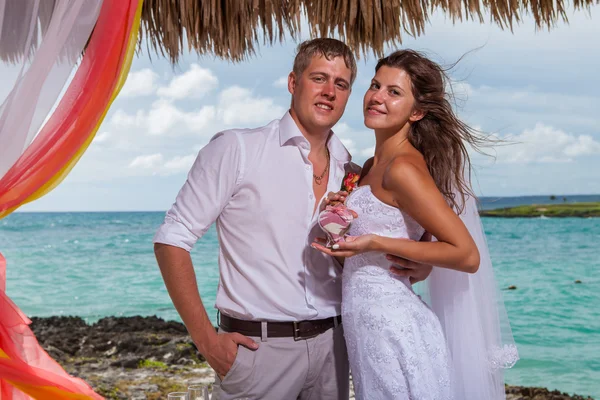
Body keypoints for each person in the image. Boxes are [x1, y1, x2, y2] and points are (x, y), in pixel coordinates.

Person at [152, 39, 432, 400]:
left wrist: (421, 264)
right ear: (293, 82)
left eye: (341, 84)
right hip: (258, 352)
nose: (329, 91)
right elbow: (172, 239)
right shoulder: (237, 149)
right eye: (319, 78)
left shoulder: (352, 171)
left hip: (336, 347)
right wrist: (207, 342)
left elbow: (400, 235)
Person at [313, 49, 519, 399]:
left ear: (417, 111)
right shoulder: (370, 165)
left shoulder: (404, 169)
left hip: (397, 331)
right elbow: (374, 256)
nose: (377, 97)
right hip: (368, 331)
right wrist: (340, 230)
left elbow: (466, 255)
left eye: (394, 92)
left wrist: (378, 243)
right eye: (376, 85)